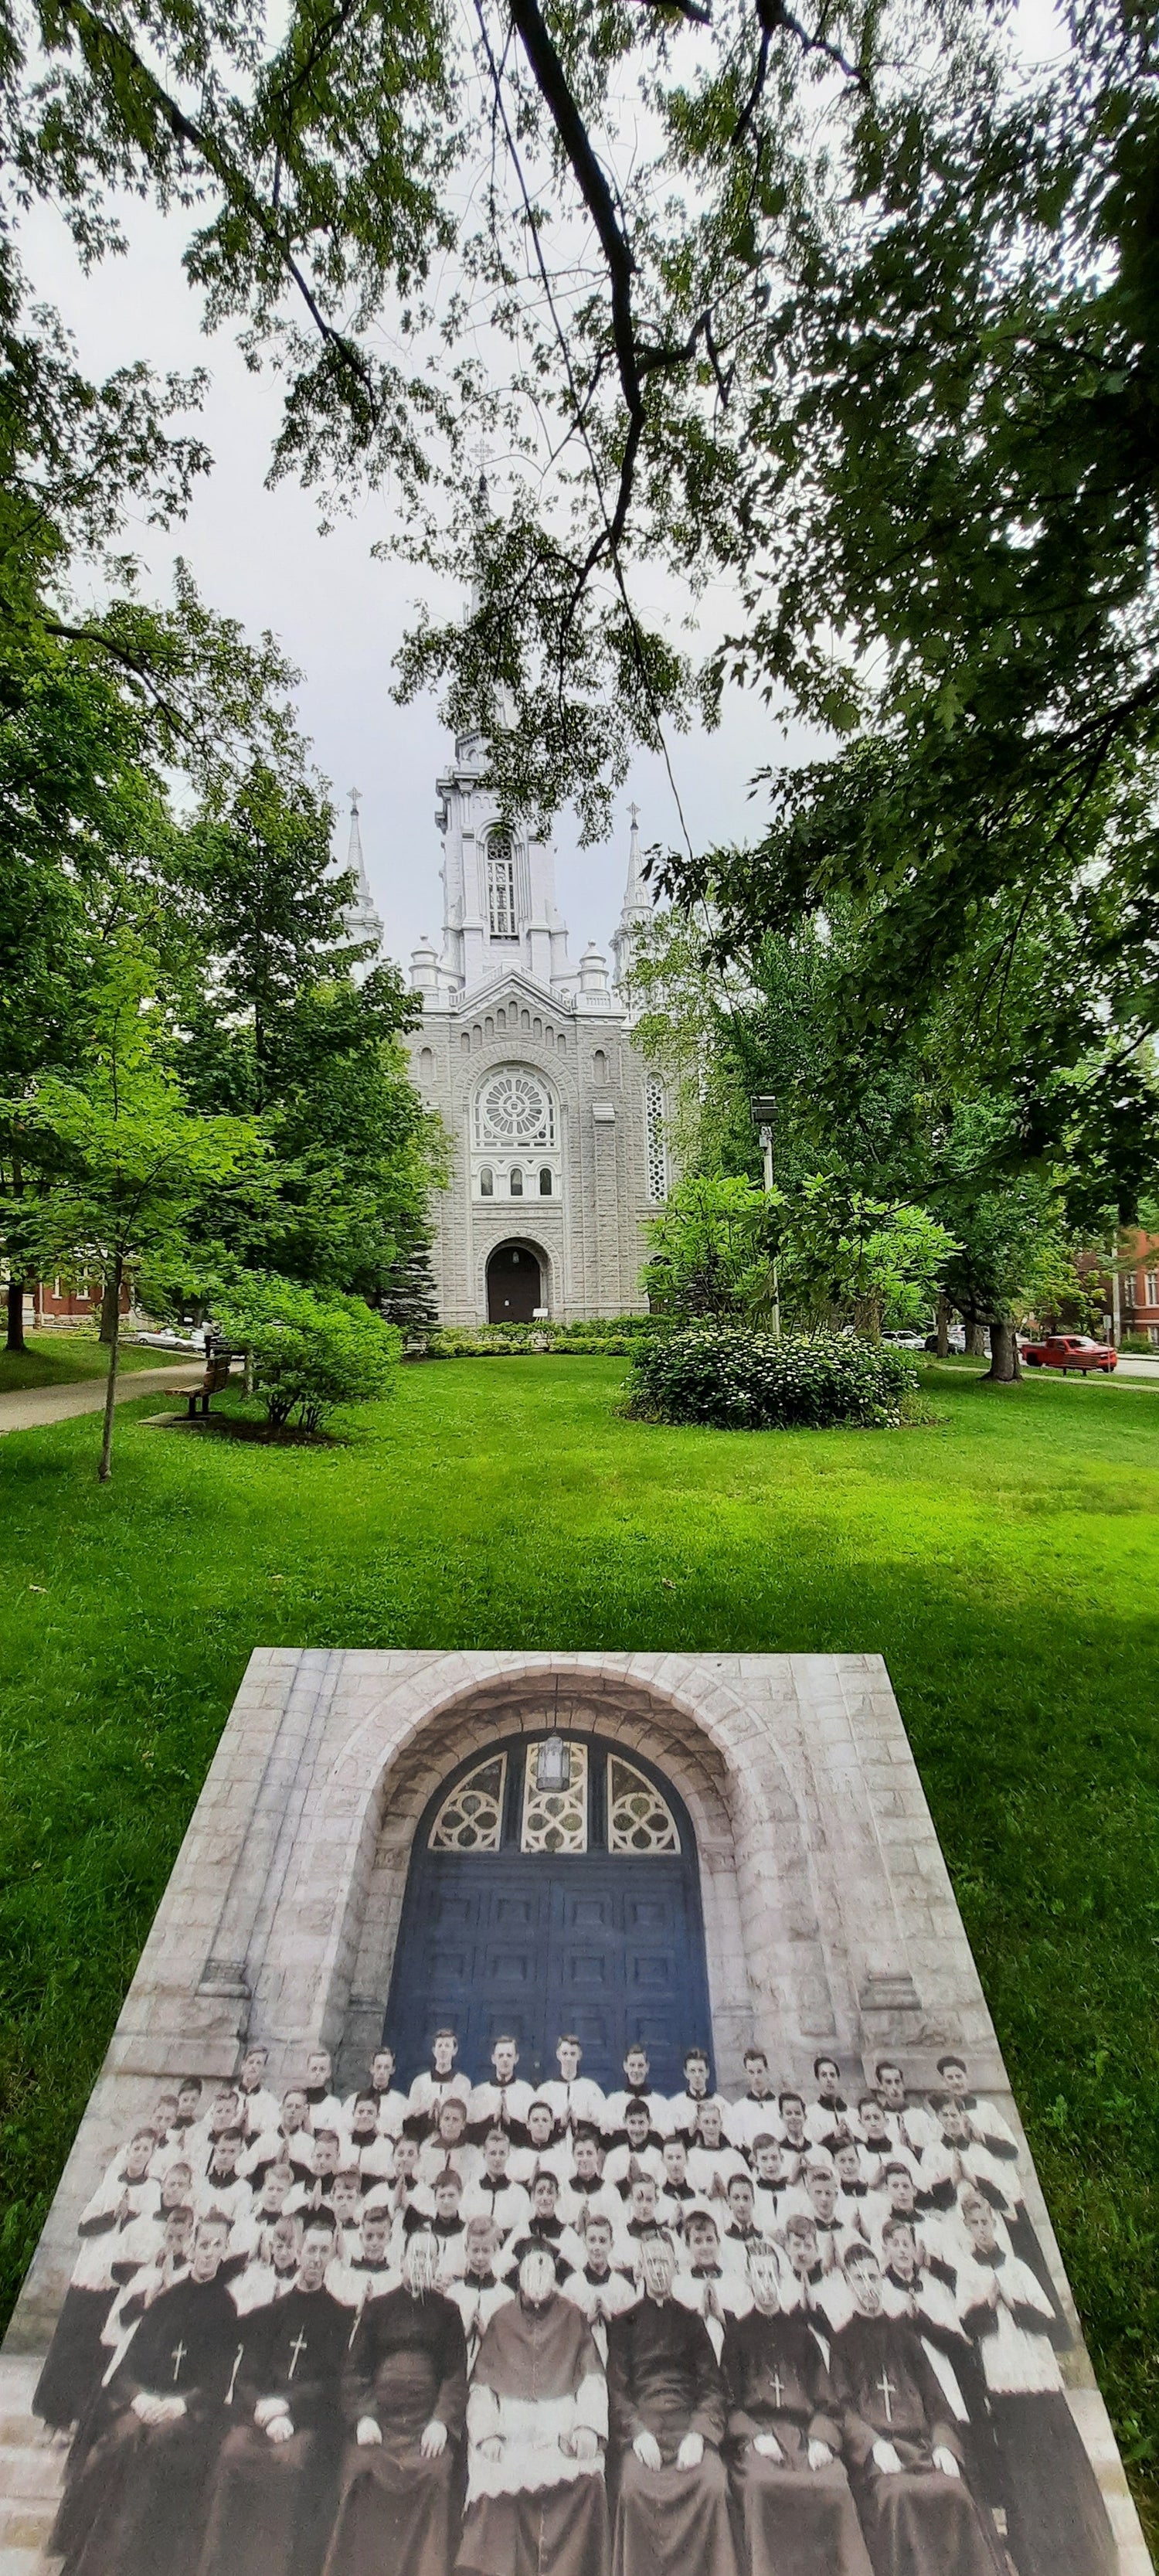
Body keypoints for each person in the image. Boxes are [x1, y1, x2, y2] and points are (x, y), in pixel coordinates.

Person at [50, 2214, 243, 2576]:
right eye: (203, 2244)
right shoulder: (167, 2299)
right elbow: (132, 2362)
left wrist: (177, 2404)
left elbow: (218, 2380)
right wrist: (138, 2398)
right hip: (145, 2403)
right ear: (192, 2247)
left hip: (186, 2415)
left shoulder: (226, 2308)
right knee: (115, 2442)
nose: (209, 2253)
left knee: (156, 2449)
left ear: (225, 2251)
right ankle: (86, 2562)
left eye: (218, 2246)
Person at [955, 2189, 1117, 2576]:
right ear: (966, 2228)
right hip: (1005, 2381)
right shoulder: (968, 2273)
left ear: (995, 2223)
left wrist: (1013, 2303)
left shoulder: (1019, 2269)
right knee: (1023, 2470)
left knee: (1059, 2463)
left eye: (986, 2222)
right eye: (974, 2224)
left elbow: (1049, 2323)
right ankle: (1039, 2560)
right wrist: (987, 2304)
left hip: (1038, 2376)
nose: (981, 2230)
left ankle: (1085, 2552)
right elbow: (967, 2329)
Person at [829, 2244, 998, 2576]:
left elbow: (936, 2401)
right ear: (849, 2285)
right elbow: (843, 2410)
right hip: (880, 2459)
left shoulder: (906, 2336)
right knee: (896, 2497)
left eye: (873, 2277)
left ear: (882, 2278)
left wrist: (944, 2445)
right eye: (859, 2279)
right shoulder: (842, 2342)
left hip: (921, 2449)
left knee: (954, 2491)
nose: (868, 2286)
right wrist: (875, 2445)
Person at [197, 2211, 349, 2576]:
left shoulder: (339, 2317)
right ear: (296, 2251)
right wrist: (264, 2407)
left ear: (331, 2257)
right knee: (233, 2453)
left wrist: (288, 2407)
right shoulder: (271, 2313)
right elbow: (247, 2377)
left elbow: (331, 2385)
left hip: (306, 2423)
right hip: (259, 2418)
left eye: (322, 2251)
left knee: (291, 2464)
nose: (314, 2258)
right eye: (309, 2249)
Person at [457, 2241, 610, 2576]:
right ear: (519, 2274)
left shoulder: (573, 2317)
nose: (538, 2274)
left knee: (588, 2482)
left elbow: (593, 2379)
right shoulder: (501, 2319)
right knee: (493, 2486)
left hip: (560, 2428)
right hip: (510, 2431)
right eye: (531, 2267)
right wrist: (486, 2435)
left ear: (555, 2275)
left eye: (545, 2267)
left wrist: (587, 2427)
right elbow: (481, 2387)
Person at [722, 2242, 874, 2576]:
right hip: (760, 2438)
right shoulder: (736, 2336)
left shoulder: (802, 2335)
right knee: (761, 2486)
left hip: (805, 2437)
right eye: (758, 2275)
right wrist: (754, 2437)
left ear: (780, 2278)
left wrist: (822, 2439)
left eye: (771, 2274)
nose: (765, 2282)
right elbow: (729, 2403)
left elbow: (827, 2402)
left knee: (834, 2483)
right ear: (748, 2279)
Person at [321, 2228, 467, 2576]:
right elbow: (355, 2371)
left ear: (436, 2266)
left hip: (423, 2425)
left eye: (428, 2258)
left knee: (435, 2472)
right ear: (401, 2261)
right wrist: (363, 2417)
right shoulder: (378, 2307)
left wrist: (441, 2422)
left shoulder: (448, 2312)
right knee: (360, 2470)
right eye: (415, 2256)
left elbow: (455, 2375)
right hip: (381, 2422)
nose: (421, 2264)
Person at [606, 2231, 734, 2576]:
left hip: (687, 2428)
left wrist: (700, 2436)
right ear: (640, 2271)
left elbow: (712, 2387)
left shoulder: (692, 2322)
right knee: (632, 2490)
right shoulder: (622, 2323)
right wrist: (636, 2434)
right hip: (645, 2431)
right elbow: (617, 2391)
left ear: (676, 2268)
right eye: (651, 2262)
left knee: (713, 2483)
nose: (658, 2270)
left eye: (665, 2261)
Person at [33, 2129, 160, 2432]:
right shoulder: (110, 2184)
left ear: (152, 2155)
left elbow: (147, 2233)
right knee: (69, 2346)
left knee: (94, 2349)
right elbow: (83, 2226)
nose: (140, 2153)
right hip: (88, 2275)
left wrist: (129, 2217)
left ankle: (79, 2416)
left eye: (147, 2149)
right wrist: (112, 2216)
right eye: (136, 2147)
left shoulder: (153, 2191)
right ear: (128, 2151)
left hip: (114, 2283)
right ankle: (54, 2415)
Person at [563, 2214, 639, 2360]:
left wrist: (611, 2320)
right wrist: (587, 2320)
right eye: (592, 2240)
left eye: (602, 2241)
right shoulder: (572, 2286)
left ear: (612, 2245)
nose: (597, 2247)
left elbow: (633, 2334)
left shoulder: (623, 2288)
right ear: (584, 2242)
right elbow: (564, 2332)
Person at [444, 2217, 514, 2365]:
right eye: (475, 2250)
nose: (480, 2257)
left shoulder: (506, 2296)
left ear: (495, 2250)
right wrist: (464, 2336)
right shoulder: (453, 2293)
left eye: (486, 2250)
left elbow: (511, 2348)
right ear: (466, 2250)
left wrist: (487, 2335)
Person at [461, 2126, 532, 2250]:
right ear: (484, 2155)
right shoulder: (471, 2189)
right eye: (493, 2153)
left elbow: (523, 2231)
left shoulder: (519, 2193)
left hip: (507, 2251)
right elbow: (463, 2223)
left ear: (508, 2155)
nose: (497, 2159)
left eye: (502, 2153)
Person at [467, 2035, 535, 2144]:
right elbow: (470, 2133)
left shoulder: (526, 2091)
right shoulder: (479, 2092)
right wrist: (492, 2120)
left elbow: (533, 2132)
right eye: (500, 2055)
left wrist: (509, 2122)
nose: (505, 2060)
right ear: (493, 2059)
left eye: (509, 2055)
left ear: (516, 2058)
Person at [406, 2030, 472, 2138]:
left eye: (447, 2046)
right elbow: (410, 2114)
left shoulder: (463, 2083)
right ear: (434, 2050)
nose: (443, 2050)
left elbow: (466, 2117)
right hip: (423, 2136)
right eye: (440, 2046)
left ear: (454, 2051)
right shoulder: (420, 2081)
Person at [542, 2035, 608, 2139]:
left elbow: (602, 2124)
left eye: (573, 2054)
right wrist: (559, 2124)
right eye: (565, 2054)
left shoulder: (591, 2088)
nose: (568, 2058)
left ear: (579, 2055)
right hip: (553, 2149)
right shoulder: (546, 2090)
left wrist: (578, 2124)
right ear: (558, 2055)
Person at [603, 2047, 674, 2142]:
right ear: (625, 2066)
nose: (636, 2070)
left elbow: (667, 2137)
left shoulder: (660, 2103)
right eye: (632, 2065)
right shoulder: (614, 2101)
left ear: (647, 2067)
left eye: (640, 2065)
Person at [725, 2050, 780, 2157]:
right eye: (751, 2072)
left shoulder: (778, 2105)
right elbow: (736, 2141)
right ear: (746, 2074)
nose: (756, 2077)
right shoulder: (738, 2108)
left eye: (760, 2071)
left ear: (767, 2071)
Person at [345, 2047, 409, 2139]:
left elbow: (401, 2135)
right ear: (372, 2069)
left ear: (392, 2070)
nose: (382, 2072)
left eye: (386, 2067)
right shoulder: (354, 2099)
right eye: (378, 2067)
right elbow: (345, 2128)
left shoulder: (401, 2102)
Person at [235, 2046, 281, 2142]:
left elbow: (272, 2132)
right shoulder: (230, 2095)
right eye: (251, 2062)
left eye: (259, 2063)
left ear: (263, 2069)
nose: (254, 2066)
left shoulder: (269, 2102)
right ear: (243, 2066)